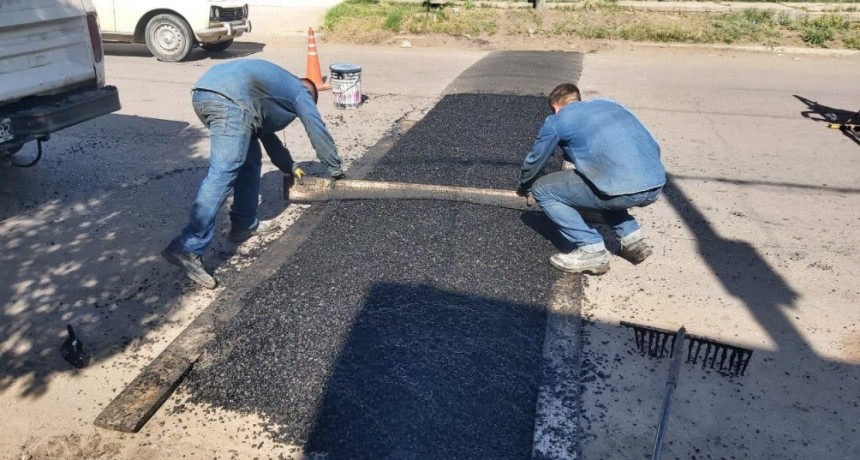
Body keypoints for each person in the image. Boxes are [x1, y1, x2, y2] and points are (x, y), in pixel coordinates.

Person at [163, 59, 344, 289]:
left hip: (206, 92)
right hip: (227, 100)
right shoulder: (301, 92)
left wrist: (290, 166)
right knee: (225, 170)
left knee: (249, 159)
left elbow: (267, 137)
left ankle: (244, 224)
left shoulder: (271, 89)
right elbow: (317, 129)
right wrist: (335, 169)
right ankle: (187, 246)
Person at [517, 83, 665, 275]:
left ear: (555, 107)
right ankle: (633, 240)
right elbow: (652, 144)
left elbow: (536, 159)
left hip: (620, 190)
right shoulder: (611, 105)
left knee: (543, 189)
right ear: (577, 99)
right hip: (655, 183)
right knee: (601, 182)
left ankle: (591, 250)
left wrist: (526, 185)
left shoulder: (558, 121)